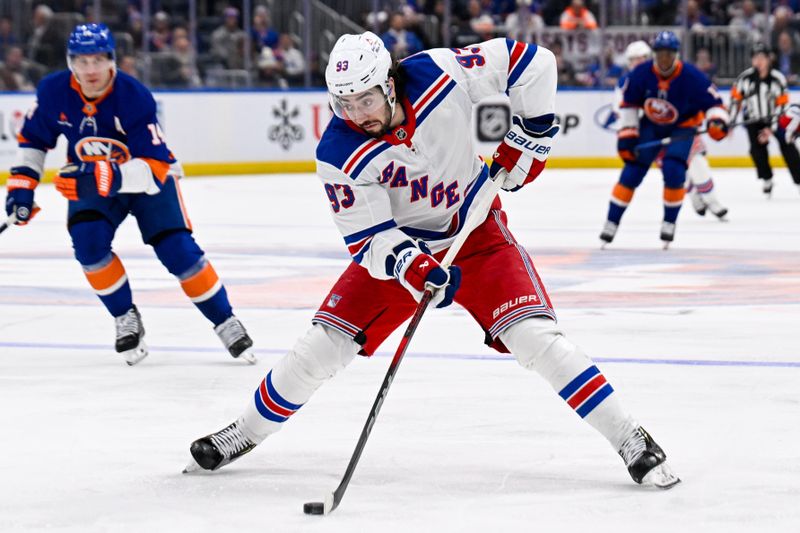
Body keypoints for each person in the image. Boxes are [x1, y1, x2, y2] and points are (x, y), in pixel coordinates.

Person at [185, 32, 680, 490]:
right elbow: (369, 238)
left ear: (389, 84)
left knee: (537, 340)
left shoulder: (442, 72)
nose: (358, 113)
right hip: (402, 252)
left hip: (479, 233)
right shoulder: (338, 151)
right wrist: (412, 264)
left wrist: (531, 135)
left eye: (366, 98)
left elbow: (535, 64)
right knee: (321, 348)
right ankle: (243, 432)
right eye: (345, 102)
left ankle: (630, 438)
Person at [3, 24, 255, 366]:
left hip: (146, 182)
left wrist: (101, 174)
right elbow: (34, 139)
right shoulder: (53, 91)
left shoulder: (134, 96)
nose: (90, 70)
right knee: (88, 245)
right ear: (70, 62)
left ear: (112, 61)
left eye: (98, 60)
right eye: (82, 61)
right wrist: (22, 185)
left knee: (178, 251)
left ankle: (225, 320)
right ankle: (125, 315)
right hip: (94, 181)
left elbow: (152, 165)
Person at [599, 31, 729, 248]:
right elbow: (629, 105)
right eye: (660, 54)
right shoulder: (641, 74)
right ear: (654, 54)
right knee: (632, 171)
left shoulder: (692, 77)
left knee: (674, 170)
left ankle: (669, 222)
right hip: (652, 125)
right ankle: (611, 221)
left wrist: (717, 122)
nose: (664, 59)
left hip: (683, 127)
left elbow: (715, 104)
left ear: (676, 54)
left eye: (669, 54)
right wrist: (627, 136)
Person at [730, 42, 800, 197]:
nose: (758, 61)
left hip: (775, 118)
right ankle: (767, 178)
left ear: (769, 59)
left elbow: (782, 106)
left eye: (762, 57)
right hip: (754, 120)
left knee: (788, 146)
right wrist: (730, 123)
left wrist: (772, 128)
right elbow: (736, 101)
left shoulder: (778, 78)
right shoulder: (744, 78)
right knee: (756, 150)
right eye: (755, 57)